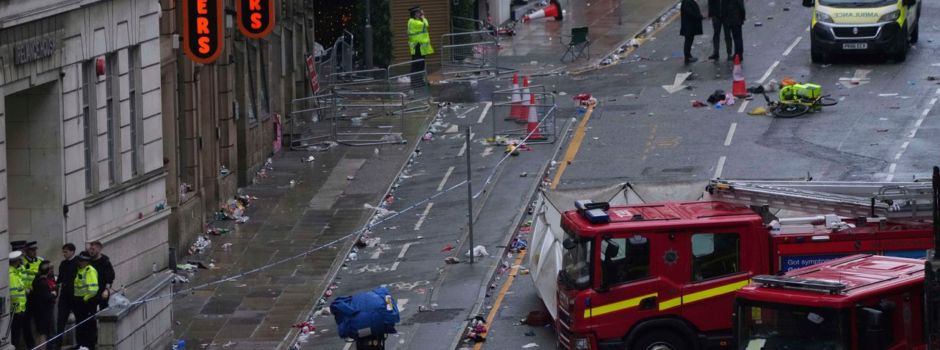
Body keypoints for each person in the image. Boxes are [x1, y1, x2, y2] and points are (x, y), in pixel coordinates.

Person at [73, 251, 99, 350]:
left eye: (82, 260)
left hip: (87, 302)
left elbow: (93, 289)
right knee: (80, 324)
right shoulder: (80, 270)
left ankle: (89, 345)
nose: (80, 262)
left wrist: (85, 298)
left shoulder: (89, 270)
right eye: (79, 260)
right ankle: (81, 345)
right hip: (79, 302)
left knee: (88, 325)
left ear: (87, 261)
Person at [28, 261, 56, 349]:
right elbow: (47, 297)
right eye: (51, 268)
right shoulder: (43, 282)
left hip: (37, 310)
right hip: (44, 312)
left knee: (39, 333)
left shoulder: (36, 280)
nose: (52, 270)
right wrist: (53, 294)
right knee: (43, 334)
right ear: (48, 271)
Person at [56, 243, 79, 349]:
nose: (64, 254)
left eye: (66, 252)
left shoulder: (78, 262)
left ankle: (79, 343)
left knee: (79, 319)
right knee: (60, 321)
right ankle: (58, 344)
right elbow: (60, 278)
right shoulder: (63, 264)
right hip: (65, 297)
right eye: (63, 252)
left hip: (75, 296)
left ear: (72, 252)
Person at [9, 251, 33, 349]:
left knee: (20, 333)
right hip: (16, 310)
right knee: (15, 335)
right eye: (20, 260)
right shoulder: (11, 275)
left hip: (21, 309)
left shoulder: (16, 272)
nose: (21, 262)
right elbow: (14, 294)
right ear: (16, 262)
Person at [407, 6, 433, 88]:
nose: (420, 14)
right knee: (417, 65)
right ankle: (415, 83)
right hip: (417, 46)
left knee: (421, 65)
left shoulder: (416, 21)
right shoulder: (413, 22)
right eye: (418, 13)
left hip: (420, 46)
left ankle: (419, 81)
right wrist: (423, 17)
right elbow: (425, 24)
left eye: (420, 13)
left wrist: (421, 17)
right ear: (414, 14)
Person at [87, 241, 114, 311]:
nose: (91, 251)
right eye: (90, 249)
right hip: (90, 293)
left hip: (102, 291)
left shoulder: (105, 262)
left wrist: (106, 290)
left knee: (103, 311)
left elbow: (110, 277)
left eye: (93, 249)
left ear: (99, 249)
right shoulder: (87, 261)